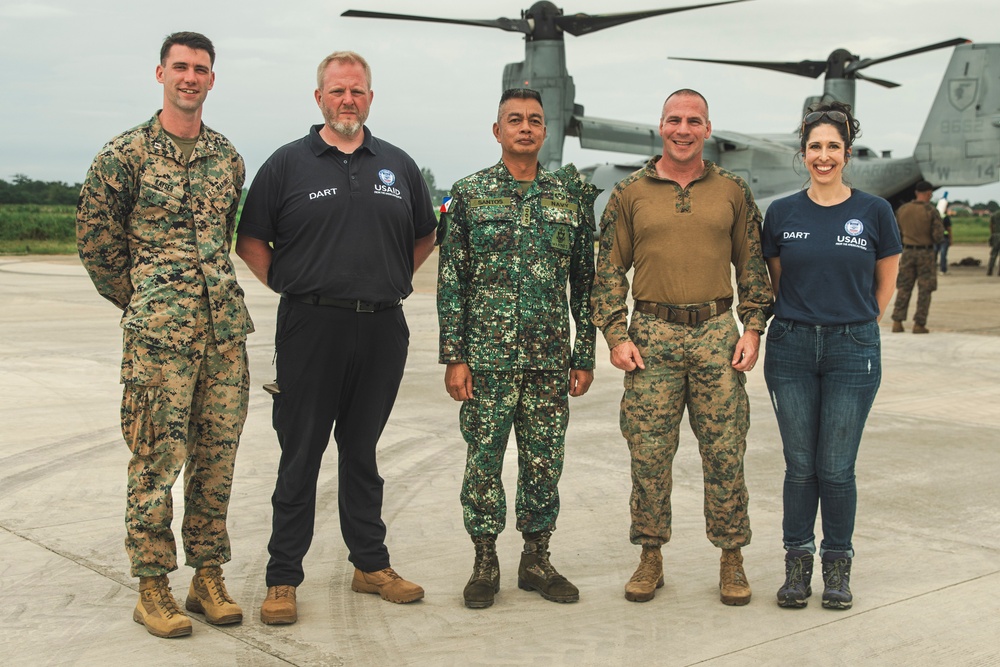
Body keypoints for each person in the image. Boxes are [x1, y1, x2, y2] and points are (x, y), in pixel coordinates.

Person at [236, 51, 437, 624]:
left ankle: (370, 565)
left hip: (381, 326)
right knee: (300, 453)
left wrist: (391, 276)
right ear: (319, 97)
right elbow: (251, 239)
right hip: (310, 325)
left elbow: (424, 235)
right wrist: (292, 283)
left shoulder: (397, 165)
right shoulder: (287, 164)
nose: (348, 99)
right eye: (337, 90)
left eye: (358, 91)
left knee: (362, 451)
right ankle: (282, 579)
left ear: (370, 98)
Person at [76, 31, 252, 638]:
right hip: (158, 341)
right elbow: (97, 245)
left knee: (217, 460)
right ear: (160, 74)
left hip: (224, 336)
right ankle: (152, 586)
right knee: (156, 459)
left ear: (211, 79)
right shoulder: (123, 156)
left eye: (201, 69)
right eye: (180, 67)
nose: (190, 78)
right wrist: (147, 303)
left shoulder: (227, 157)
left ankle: (207, 576)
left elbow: (225, 234)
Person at [591, 89, 773, 606]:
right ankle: (650, 556)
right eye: (675, 119)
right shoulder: (630, 194)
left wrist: (753, 327)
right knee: (648, 454)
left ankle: (732, 558)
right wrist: (616, 334)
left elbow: (752, 268)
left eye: (694, 120)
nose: (683, 129)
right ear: (661, 126)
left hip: (718, 333)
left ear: (707, 129)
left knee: (725, 452)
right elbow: (607, 273)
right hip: (651, 337)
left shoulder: (733, 191)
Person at [437, 88, 598, 609]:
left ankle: (536, 558)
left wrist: (584, 353)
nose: (525, 128)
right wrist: (454, 356)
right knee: (483, 461)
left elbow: (585, 282)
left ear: (544, 132)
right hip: (486, 361)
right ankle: (485, 561)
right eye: (514, 120)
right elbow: (451, 280)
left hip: (550, 360)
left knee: (544, 463)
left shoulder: (568, 198)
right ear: (497, 131)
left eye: (534, 120)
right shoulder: (467, 194)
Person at [761, 102, 901, 610]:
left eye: (833, 147)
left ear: (847, 153)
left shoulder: (874, 211)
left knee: (837, 467)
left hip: (852, 348)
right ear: (803, 154)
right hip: (792, 347)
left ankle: (837, 566)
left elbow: (885, 280)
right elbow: (778, 281)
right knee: (800, 466)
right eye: (815, 147)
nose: (824, 156)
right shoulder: (781, 213)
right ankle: (796, 566)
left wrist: (858, 322)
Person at [890, 180, 944, 333]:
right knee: (925, 290)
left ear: (915, 193)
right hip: (925, 253)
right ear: (929, 193)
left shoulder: (903, 210)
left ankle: (897, 322)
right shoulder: (931, 211)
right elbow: (938, 236)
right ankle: (919, 324)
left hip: (907, 252)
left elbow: (897, 232)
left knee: (904, 287)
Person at [988, 210, 1000, 276]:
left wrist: (992, 235)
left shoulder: (994, 214)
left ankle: (990, 269)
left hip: (995, 235)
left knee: (993, 254)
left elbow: (991, 226)